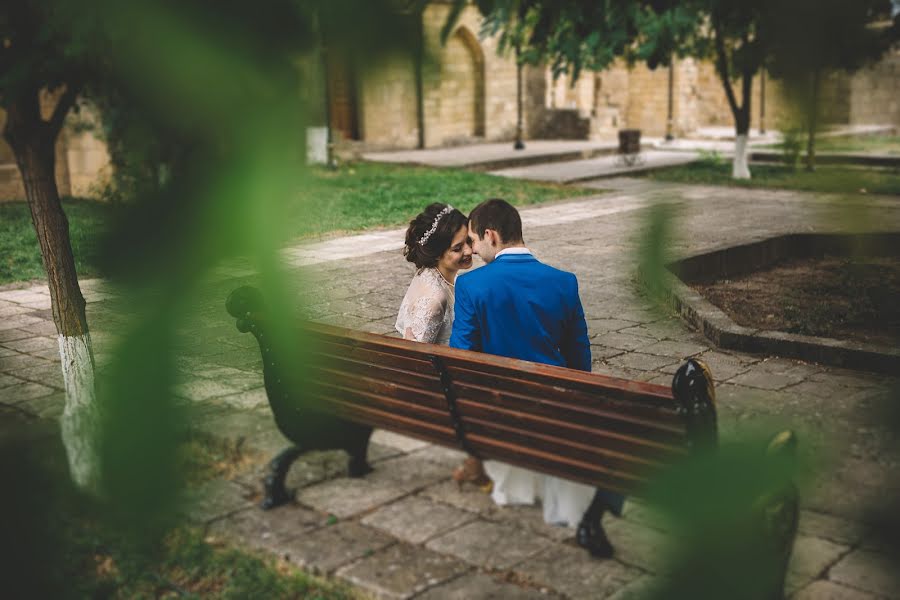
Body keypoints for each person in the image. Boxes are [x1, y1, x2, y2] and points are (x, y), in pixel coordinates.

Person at [449, 198, 624, 558]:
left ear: (491, 235)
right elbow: (580, 360)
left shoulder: (472, 286)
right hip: (554, 408)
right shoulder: (563, 282)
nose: (474, 250)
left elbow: (460, 356)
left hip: (496, 410)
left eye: (475, 241)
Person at [395, 202, 490, 490]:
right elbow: (417, 361)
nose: (469, 252)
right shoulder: (434, 297)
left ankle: (476, 467)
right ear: (437, 252)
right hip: (440, 392)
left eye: (469, 243)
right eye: (458, 248)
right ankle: (481, 466)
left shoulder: (434, 275)